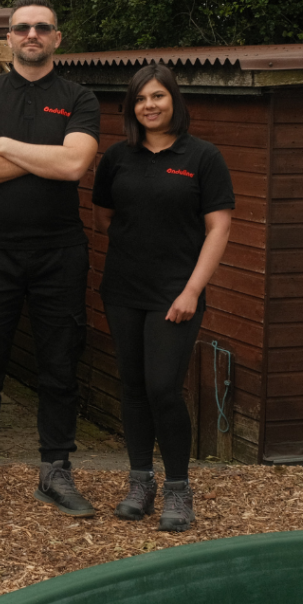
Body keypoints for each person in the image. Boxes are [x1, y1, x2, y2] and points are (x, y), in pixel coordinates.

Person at [0, 0, 101, 518]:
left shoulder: (79, 96)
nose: (32, 34)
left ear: (57, 38)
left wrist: (3, 146)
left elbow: (75, 165)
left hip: (60, 248)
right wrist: (44, 156)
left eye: (43, 27)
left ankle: (56, 470)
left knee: (60, 360)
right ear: (9, 38)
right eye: (22, 28)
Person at [92, 63, 234, 532]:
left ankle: (177, 488)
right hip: (123, 289)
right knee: (132, 386)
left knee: (162, 389)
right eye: (140, 99)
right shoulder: (116, 157)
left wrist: (192, 288)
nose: (149, 105)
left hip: (176, 293)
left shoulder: (203, 157)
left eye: (158, 96)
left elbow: (218, 228)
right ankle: (140, 481)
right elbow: (104, 218)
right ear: (131, 107)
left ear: (174, 100)